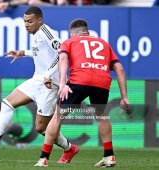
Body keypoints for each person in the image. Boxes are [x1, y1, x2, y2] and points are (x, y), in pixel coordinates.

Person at [0, 6, 79, 164]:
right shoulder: (36, 35)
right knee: (7, 103)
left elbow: (62, 53)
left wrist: (48, 74)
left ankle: (69, 148)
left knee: (41, 128)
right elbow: (41, 52)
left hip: (49, 85)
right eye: (25, 21)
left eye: (30, 21)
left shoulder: (45, 31)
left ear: (39, 20)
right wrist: (23, 52)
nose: (26, 24)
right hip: (37, 80)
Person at [34, 18, 132, 167]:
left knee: (58, 117)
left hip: (79, 80)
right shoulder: (104, 43)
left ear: (73, 33)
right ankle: (109, 156)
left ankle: (44, 158)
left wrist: (62, 83)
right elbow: (120, 69)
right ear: (88, 32)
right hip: (102, 81)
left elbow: (63, 58)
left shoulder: (69, 42)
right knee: (101, 115)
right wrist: (124, 97)